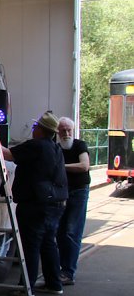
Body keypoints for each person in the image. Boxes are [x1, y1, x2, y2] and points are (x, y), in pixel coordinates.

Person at [0, 111, 67, 295]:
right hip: (54, 203)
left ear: (40, 130)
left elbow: (8, 154)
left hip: (35, 204)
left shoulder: (36, 145)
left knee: (30, 246)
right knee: (48, 244)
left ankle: (26, 287)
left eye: (35, 126)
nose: (33, 129)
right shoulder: (56, 148)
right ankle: (54, 284)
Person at [56, 117, 90, 285]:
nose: (66, 133)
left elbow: (84, 166)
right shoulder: (56, 148)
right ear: (57, 132)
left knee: (71, 231)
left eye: (69, 130)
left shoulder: (79, 145)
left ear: (73, 130)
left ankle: (68, 272)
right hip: (61, 193)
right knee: (60, 231)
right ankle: (62, 269)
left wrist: (61, 167)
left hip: (78, 192)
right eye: (63, 130)